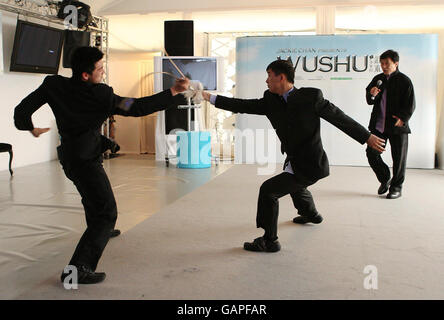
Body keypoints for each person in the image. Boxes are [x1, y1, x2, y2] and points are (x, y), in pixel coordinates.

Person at [14, 46, 189, 284]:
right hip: (85, 159)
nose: (103, 71)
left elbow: (21, 110)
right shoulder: (102, 96)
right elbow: (136, 107)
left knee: (92, 196)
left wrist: (30, 128)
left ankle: (100, 231)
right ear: (86, 74)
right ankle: (78, 269)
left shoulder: (53, 85)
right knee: (106, 212)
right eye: (99, 68)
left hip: (71, 156)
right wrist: (175, 91)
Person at [202, 59, 385, 253]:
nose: (266, 81)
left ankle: (269, 240)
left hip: (312, 163)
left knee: (269, 191)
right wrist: (210, 98)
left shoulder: (311, 97)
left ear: (281, 78)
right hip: (295, 160)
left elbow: (338, 117)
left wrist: (366, 137)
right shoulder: (271, 99)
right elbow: (243, 105)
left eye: (269, 77)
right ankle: (311, 214)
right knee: (297, 187)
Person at [365, 50, 415, 199]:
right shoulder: (378, 79)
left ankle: (396, 188)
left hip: (397, 126)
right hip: (379, 125)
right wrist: (371, 94)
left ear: (396, 63)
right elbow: (370, 100)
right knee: (372, 154)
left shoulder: (405, 81)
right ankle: (385, 178)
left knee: (398, 158)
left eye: (387, 63)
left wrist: (403, 118)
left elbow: (411, 103)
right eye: (382, 63)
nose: (384, 66)